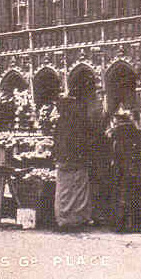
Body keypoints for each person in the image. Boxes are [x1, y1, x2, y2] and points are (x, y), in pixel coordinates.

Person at [110, 108, 141, 233]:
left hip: (123, 169)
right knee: (138, 194)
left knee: (124, 194)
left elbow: (116, 153)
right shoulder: (137, 132)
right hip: (136, 168)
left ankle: (124, 224)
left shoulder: (117, 133)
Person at [53, 97, 93, 229]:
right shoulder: (79, 122)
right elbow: (85, 141)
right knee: (80, 191)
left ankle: (63, 217)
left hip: (64, 161)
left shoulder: (61, 122)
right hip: (79, 161)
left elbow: (58, 143)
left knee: (64, 190)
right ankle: (79, 217)